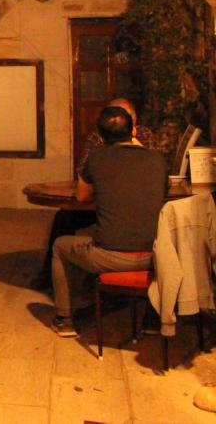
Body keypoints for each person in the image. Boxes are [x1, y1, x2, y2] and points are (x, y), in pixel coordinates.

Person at [50, 105, 167, 336]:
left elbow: (82, 196)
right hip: (156, 256)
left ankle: (64, 319)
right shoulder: (158, 160)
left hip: (110, 257)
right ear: (133, 131)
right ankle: (152, 319)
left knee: (60, 245)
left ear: (101, 137)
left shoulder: (97, 158)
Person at [29, 98, 155, 291]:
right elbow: (84, 169)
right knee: (64, 217)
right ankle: (50, 274)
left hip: (132, 204)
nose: (116, 121)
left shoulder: (144, 136)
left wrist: (128, 142)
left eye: (122, 117)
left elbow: (145, 167)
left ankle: (104, 269)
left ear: (133, 120)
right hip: (100, 201)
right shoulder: (98, 137)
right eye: (112, 116)